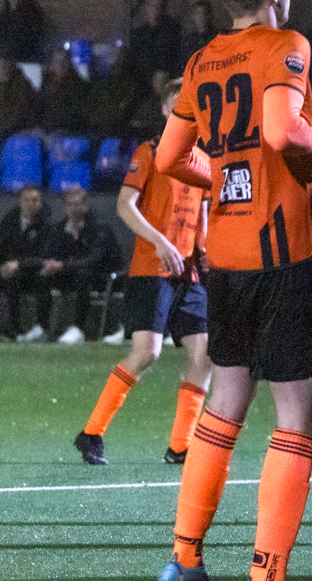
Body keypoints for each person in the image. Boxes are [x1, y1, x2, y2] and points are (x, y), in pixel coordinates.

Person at [152, 0, 312, 581]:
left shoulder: (201, 60)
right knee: (299, 414)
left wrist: (222, 180)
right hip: (280, 255)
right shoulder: (284, 44)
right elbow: (280, 131)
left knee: (226, 399)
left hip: (226, 255)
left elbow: (169, 156)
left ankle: (184, 556)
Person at [72, 80, 211, 467]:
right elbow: (124, 205)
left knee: (203, 356)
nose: (186, 110)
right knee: (147, 351)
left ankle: (180, 446)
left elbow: (202, 212)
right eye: (178, 103)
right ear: (166, 110)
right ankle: (92, 432)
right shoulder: (150, 152)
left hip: (189, 273)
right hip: (152, 268)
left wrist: (205, 251)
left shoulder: (205, 158)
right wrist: (160, 242)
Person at [40, 187, 124, 344]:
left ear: (85, 205)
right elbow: (50, 253)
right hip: (71, 272)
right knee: (44, 276)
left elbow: (95, 259)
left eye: (77, 204)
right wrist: (51, 264)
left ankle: (78, 328)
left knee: (83, 275)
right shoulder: (60, 228)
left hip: (101, 276)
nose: (74, 208)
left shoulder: (99, 227)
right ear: (64, 207)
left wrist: (63, 265)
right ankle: (42, 327)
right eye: (70, 204)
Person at [0, 185, 53, 340]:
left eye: (35, 200)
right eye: (26, 200)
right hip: (8, 269)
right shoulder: (9, 222)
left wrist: (19, 264)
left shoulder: (48, 227)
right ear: (20, 202)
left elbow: (45, 256)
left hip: (32, 272)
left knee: (32, 279)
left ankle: (22, 329)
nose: (31, 204)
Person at [129, 0, 183, 89]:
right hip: (142, 84)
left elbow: (176, 59)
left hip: (165, 83)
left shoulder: (171, 33)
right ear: (146, 8)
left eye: (159, 6)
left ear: (163, 9)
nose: (155, 9)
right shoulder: (138, 35)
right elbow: (133, 61)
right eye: (152, 6)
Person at [40, 47, 90, 136]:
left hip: (71, 134)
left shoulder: (80, 87)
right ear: (52, 64)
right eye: (57, 61)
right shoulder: (45, 86)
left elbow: (78, 116)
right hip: (48, 134)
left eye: (64, 61)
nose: (61, 64)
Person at [0, 53, 38, 140]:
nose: (3, 66)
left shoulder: (22, 85)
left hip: (16, 134)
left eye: (6, 62)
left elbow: (23, 113)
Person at [180, 0, 219, 65]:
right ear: (194, 17)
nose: (202, 16)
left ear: (210, 16)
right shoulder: (188, 41)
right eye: (198, 14)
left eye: (205, 13)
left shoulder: (217, 38)